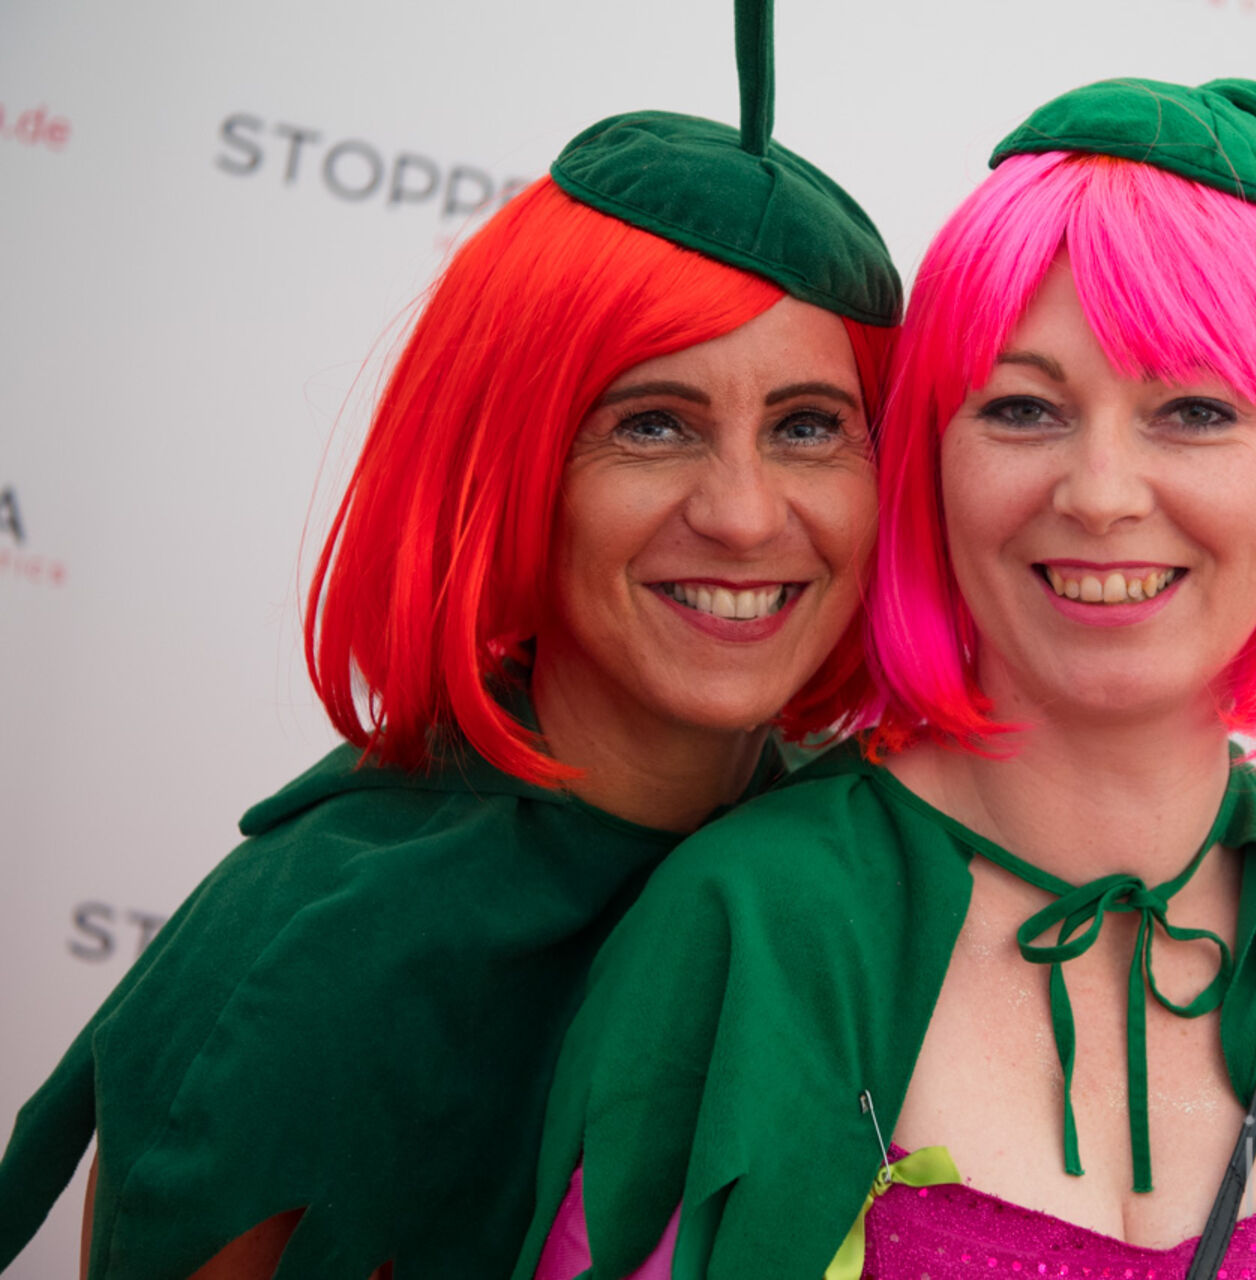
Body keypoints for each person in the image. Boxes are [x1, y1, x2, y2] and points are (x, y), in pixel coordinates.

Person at [521, 78, 1256, 1280]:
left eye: (1196, 409)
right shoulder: (754, 924)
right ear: (930, 458)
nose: (1099, 494)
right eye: (1025, 407)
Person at [0, 4, 902, 1276]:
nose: (745, 515)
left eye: (809, 426)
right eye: (652, 424)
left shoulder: (886, 880)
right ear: (512, 461)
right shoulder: (313, 958)